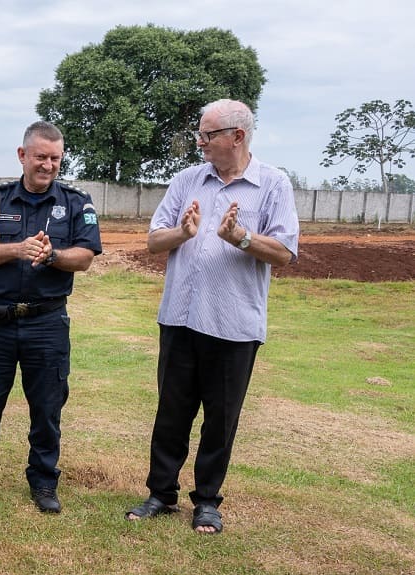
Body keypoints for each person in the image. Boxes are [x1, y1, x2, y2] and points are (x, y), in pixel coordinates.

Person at [125, 99, 299, 534]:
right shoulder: (187, 181)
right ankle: (160, 493)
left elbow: (284, 253)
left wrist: (241, 238)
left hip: (233, 324)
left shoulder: (273, 185)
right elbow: (152, 241)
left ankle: (206, 501)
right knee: (172, 412)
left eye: (207, 135)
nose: (200, 142)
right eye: (200, 135)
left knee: (220, 419)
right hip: (180, 319)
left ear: (237, 137)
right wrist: (182, 233)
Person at [0, 121, 102, 513]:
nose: (47, 165)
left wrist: (52, 256)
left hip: (47, 322)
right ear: (22, 156)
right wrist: (18, 250)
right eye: (40, 157)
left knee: (47, 405)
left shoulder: (77, 202)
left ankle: (44, 481)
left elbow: (85, 257)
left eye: (55, 158)